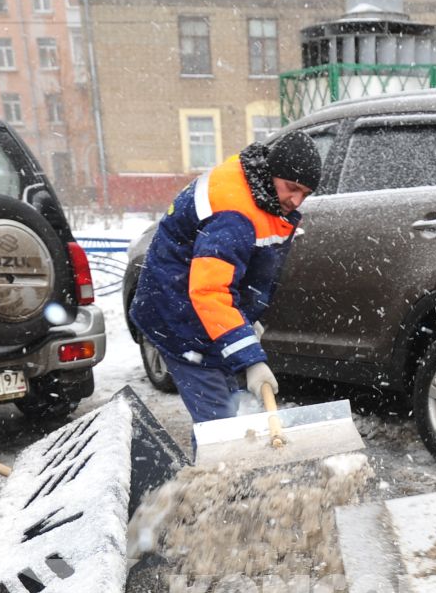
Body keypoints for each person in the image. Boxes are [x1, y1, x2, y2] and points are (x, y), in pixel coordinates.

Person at [128, 131, 321, 426]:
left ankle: (222, 462)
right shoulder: (235, 214)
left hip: (196, 308)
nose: (296, 200)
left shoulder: (259, 190)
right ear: (272, 172)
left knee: (224, 401)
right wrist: (252, 359)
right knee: (218, 419)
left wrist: (242, 320)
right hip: (178, 317)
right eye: (291, 187)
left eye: (305, 194)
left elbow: (237, 271)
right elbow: (209, 291)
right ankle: (214, 470)